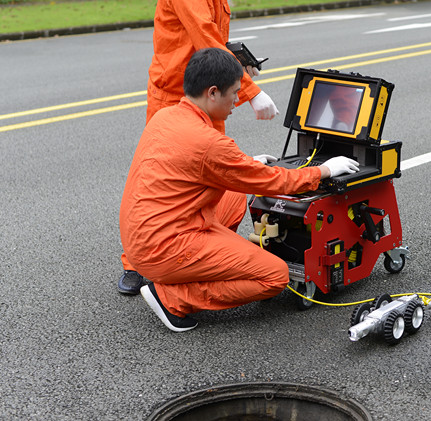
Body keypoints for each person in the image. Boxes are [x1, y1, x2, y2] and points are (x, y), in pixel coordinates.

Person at [119, 48, 359, 332]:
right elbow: (274, 182)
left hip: (142, 234)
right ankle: (172, 298)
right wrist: (325, 170)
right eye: (234, 92)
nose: (237, 100)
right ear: (212, 92)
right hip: (163, 247)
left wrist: (247, 164)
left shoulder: (166, 116)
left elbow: (193, 165)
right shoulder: (209, 144)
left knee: (233, 195)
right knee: (275, 275)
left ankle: (201, 267)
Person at [118, 0, 279, 294]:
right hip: (174, 95)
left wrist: (237, 61)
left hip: (208, 94)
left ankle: (194, 250)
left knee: (213, 178)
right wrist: (251, 92)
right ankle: (137, 263)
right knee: (159, 182)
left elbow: (216, 40)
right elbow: (206, 37)